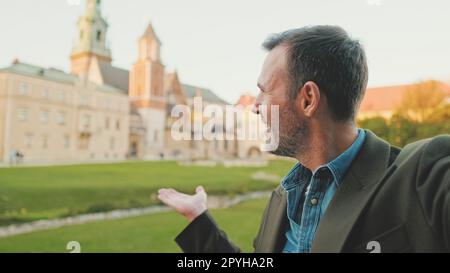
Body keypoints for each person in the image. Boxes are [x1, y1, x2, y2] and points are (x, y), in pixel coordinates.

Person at [158, 25, 450, 253]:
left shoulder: (422, 177)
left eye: (264, 91)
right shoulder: (284, 196)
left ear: (308, 99)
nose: (255, 106)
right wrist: (199, 221)